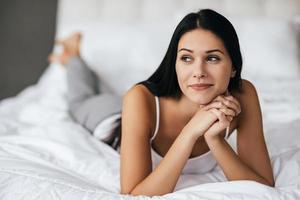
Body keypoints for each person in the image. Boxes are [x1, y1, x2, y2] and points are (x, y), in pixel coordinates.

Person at [49, 9, 274, 197]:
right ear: (174, 62)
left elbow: (263, 186)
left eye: (212, 58)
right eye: (186, 58)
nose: (198, 72)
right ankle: (73, 57)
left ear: (233, 66)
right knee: (81, 101)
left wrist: (214, 139)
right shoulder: (139, 98)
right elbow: (135, 194)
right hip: (112, 120)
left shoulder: (243, 95)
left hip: (138, 114)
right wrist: (190, 131)